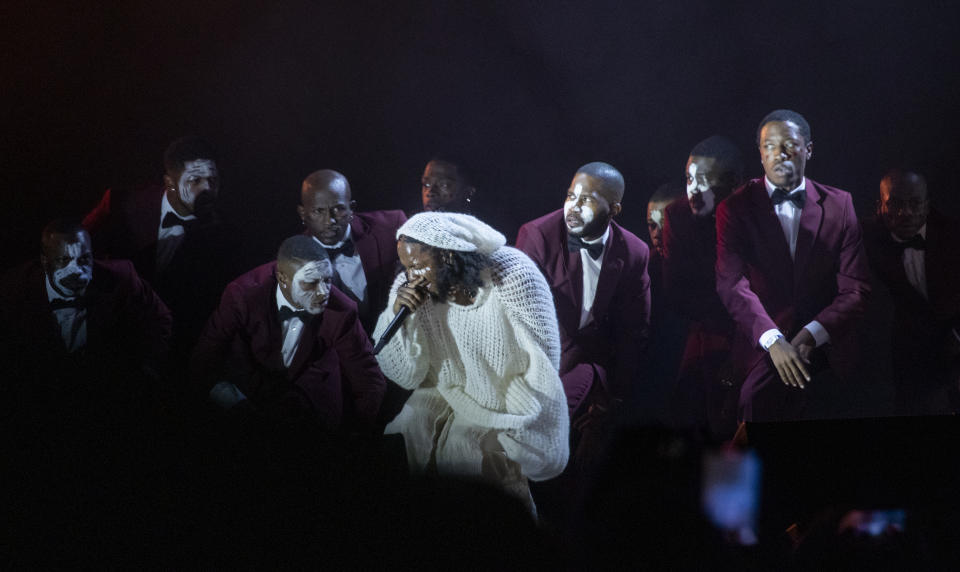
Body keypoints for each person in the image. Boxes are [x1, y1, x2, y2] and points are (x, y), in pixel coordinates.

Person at [373, 212, 568, 513]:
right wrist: (400, 316)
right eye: (406, 267)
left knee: (465, 453)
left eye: (419, 265)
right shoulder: (411, 287)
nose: (412, 277)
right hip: (445, 387)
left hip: (504, 394)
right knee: (409, 429)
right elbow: (406, 376)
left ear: (449, 255)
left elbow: (545, 359)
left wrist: (521, 413)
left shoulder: (513, 274)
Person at [716, 110, 871, 422]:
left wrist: (811, 335)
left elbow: (855, 289)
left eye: (789, 144)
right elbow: (731, 284)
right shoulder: (734, 208)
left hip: (828, 343)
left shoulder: (841, 205)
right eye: (770, 146)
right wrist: (774, 341)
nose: (779, 154)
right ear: (759, 154)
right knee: (755, 405)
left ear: (809, 149)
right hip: (765, 342)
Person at [191, 236, 386, 431]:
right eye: (310, 283)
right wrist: (227, 398)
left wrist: (358, 436)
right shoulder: (243, 295)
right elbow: (205, 355)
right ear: (282, 278)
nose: (323, 292)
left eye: (327, 280)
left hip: (311, 401)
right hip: (248, 394)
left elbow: (368, 377)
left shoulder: (340, 310)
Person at [516, 161, 651, 436]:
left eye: (586, 199)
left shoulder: (635, 252)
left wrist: (614, 399)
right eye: (570, 196)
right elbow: (518, 321)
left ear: (614, 210)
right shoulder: (538, 236)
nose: (573, 208)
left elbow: (634, 332)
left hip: (590, 369)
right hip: (533, 369)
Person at [82, 136, 242, 363]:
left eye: (213, 180)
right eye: (195, 180)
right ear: (169, 182)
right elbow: (73, 251)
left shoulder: (225, 233)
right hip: (109, 339)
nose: (207, 188)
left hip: (175, 352)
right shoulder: (122, 205)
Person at [662, 136, 744, 439]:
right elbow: (677, 292)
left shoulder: (757, 210)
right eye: (688, 179)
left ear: (734, 183)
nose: (693, 189)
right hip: (711, 326)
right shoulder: (679, 216)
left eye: (704, 180)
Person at [863, 169, 960, 414]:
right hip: (909, 353)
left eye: (915, 204)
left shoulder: (953, 235)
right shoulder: (866, 237)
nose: (905, 213)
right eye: (894, 204)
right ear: (880, 206)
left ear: (927, 206)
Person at [298, 169, 407, 335]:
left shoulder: (391, 228)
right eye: (318, 211)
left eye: (338, 209)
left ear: (351, 209)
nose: (330, 221)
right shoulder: (293, 259)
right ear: (303, 214)